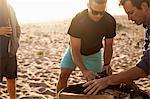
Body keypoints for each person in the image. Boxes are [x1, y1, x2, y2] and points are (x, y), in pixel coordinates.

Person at [83, 0, 150, 95]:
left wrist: (107, 81)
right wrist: (124, 78)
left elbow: (145, 68)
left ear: (144, 6)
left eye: (131, 13)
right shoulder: (148, 27)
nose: (129, 18)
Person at [57, 0, 116, 93]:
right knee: (63, 75)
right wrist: (84, 70)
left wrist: (106, 64)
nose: (98, 16)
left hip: (94, 53)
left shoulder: (110, 21)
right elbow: (75, 49)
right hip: (75, 51)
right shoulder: (78, 19)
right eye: (95, 12)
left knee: (94, 82)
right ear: (88, 5)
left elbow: (109, 46)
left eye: (102, 12)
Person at [0, 0, 21, 98]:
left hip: (10, 51)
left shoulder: (9, 7)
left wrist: (15, 42)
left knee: (12, 78)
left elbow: (17, 27)